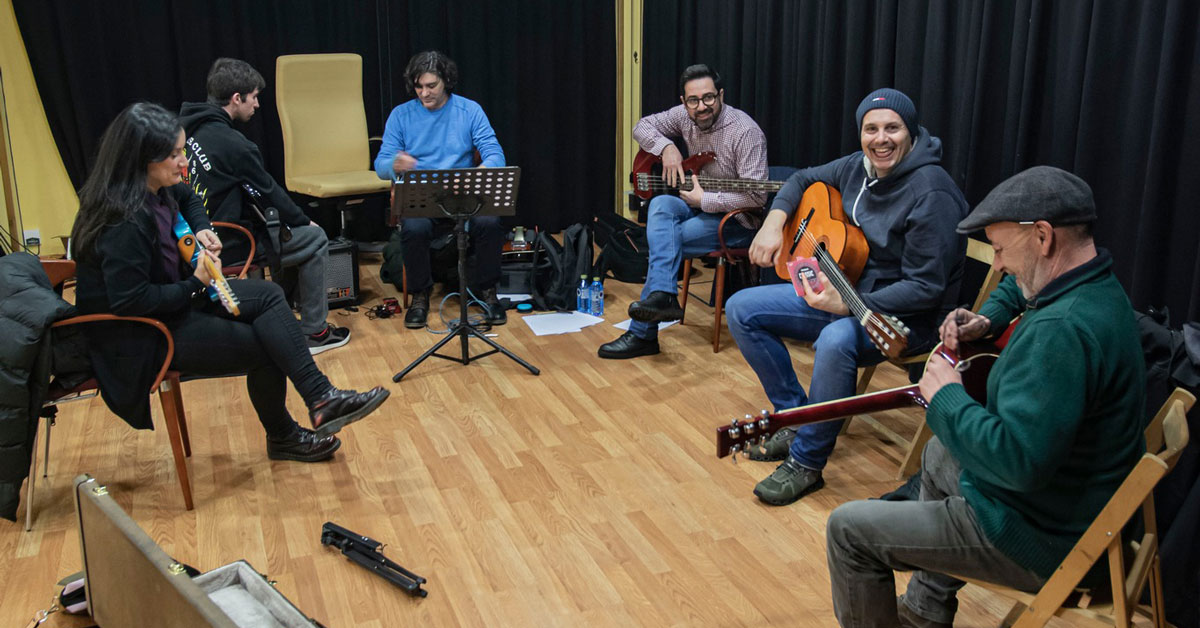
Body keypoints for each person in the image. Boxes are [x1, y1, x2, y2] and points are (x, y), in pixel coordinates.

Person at [824, 166, 1146, 627]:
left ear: (1043, 236)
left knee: (848, 529)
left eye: (998, 250)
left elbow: (1017, 464)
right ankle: (923, 613)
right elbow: (1018, 287)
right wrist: (989, 319)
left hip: (1042, 537)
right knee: (939, 452)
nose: (996, 265)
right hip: (1078, 508)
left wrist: (947, 398)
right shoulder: (1095, 283)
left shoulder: (1061, 332)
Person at [70, 102, 390, 463]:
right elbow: (131, 302)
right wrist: (194, 282)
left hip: (176, 301)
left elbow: (189, 198)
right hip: (141, 334)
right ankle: (286, 433)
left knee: (270, 298)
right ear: (143, 158)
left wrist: (202, 230)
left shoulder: (156, 187)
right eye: (174, 155)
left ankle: (322, 398)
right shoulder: (122, 221)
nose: (184, 162)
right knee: (267, 343)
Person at [727, 88, 968, 505]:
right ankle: (799, 417)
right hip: (847, 293)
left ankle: (807, 463)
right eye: (870, 129)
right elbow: (801, 178)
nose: (881, 139)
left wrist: (849, 305)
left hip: (909, 317)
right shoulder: (859, 166)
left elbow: (925, 287)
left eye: (892, 128)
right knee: (741, 309)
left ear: (910, 133)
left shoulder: (933, 192)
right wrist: (773, 221)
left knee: (836, 340)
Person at [177, 58, 350, 355]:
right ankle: (315, 332)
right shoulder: (234, 144)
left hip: (187, 239)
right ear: (236, 98)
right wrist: (304, 220)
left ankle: (280, 318)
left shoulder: (185, 128)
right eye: (254, 97)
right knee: (315, 238)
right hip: (224, 243)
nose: (257, 105)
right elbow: (269, 193)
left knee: (279, 230)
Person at [598, 64, 768, 359]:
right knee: (661, 204)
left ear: (721, 95)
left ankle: (642, 333)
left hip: (737, 219)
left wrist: (706, 200)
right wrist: (666, 147)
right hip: (697, 206)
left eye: (709, 98)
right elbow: (642, 126)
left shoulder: (746, 132)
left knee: (668, 238)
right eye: (693, 100)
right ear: (683, 102)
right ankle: (664, 295)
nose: (702, 107)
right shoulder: (684, 117)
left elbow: (756, 196)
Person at [373, 50, 506, 329]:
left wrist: (481, 173)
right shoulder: (401, 115)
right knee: (414, 227)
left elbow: (495, 154)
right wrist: (395, 164)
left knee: (489, 221)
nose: (424, 93)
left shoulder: (469, 110)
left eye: (431, 86)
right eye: (419, 86)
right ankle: (421, 295)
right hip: (422, 195)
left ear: (446, 81)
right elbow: (381, 164)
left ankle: (488, 292)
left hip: (464, 194)